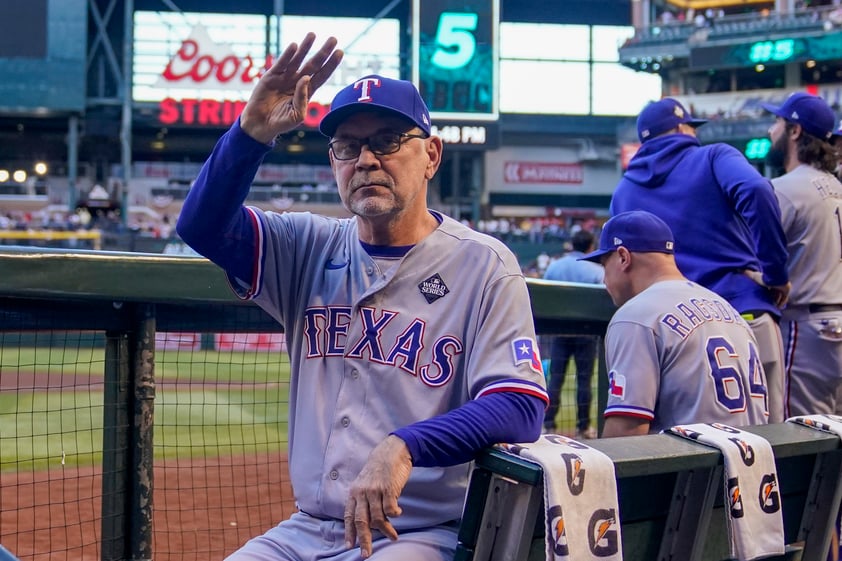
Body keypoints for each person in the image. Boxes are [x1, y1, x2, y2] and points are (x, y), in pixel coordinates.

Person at [175, 33, 548, 561]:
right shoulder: (305, 245)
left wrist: (406, 445)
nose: (367, 160)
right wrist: (250, 134)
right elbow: (202, 226)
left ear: (432, 156)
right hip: (305, 529)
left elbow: (519, 405)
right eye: (348, 147)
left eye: (388, 140)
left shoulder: (484, 264)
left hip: (420, 533)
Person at [611, 97, 791, 423]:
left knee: (684, 444)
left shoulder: (624, 191)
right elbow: (756, 190)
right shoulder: (713, 156)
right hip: (740, 311)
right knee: (772, 440)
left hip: (673, 329)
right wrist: (775, 272)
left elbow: (621, 271)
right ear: (682, 128)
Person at [578, 210, 770, 437]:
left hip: (694, 468)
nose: (604, 278)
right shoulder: (727, 309)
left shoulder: (636, 316)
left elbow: (626, 436)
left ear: (623, 257)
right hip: (756, 463)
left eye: (604, 265)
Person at [761, 92, 842, 417]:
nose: (771, 130)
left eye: (777, 122)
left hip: (805, 326)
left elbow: (757, 259)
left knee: (800, 434)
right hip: (835, 316)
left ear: (794, 131)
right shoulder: (838, 187)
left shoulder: (783, 189)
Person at [542, 229, 605, 439]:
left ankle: (548, 424)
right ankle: (584, 427)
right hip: (587, 333)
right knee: (584, 381)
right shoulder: (596, 270)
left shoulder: (554, 266)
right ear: (590, 247)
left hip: (558, 331)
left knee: (555, 379)